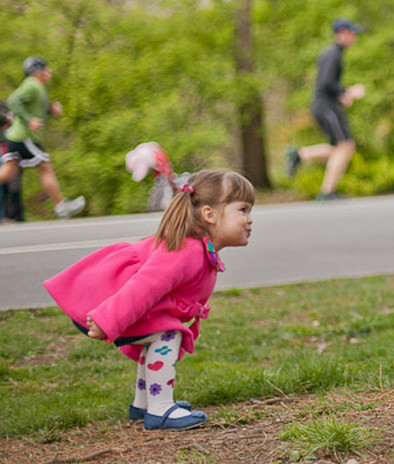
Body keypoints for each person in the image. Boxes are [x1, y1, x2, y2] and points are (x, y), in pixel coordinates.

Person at [43, 169, 255, 430]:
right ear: (209, 214)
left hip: (114, 308)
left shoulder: (199, 248)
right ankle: (160, 407)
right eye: (243, 210)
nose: (249, 219)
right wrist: (106, 320)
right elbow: (142, 289)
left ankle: (144, 404)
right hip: (102, 306)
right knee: (167, 334)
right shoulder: (186, 250)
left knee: (159, 334)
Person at [286, 19, 366, 200]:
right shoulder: (333, 54)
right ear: (343, 33)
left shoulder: (334, 53)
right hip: (325, 106)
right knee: (345, 146)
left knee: (340, 147)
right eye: (353, 34)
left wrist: (341, 95)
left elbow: (326, 83)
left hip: (327, 105)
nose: (354, 38)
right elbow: (326, 83)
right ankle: (327, 192)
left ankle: (300, 155)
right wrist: (347, 92)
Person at [4, 56, 86, 220]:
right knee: (45, 166)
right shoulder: (32, 85)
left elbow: (33, 109)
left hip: (18, 136)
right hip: (24, 137)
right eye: (47, 70)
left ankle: (61, 206)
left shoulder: (36, 88)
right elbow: (13, 101)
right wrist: (28, 121)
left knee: (8, 172)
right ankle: (61, 206)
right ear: (38, 72)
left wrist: (50, 110)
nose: (49, 73)